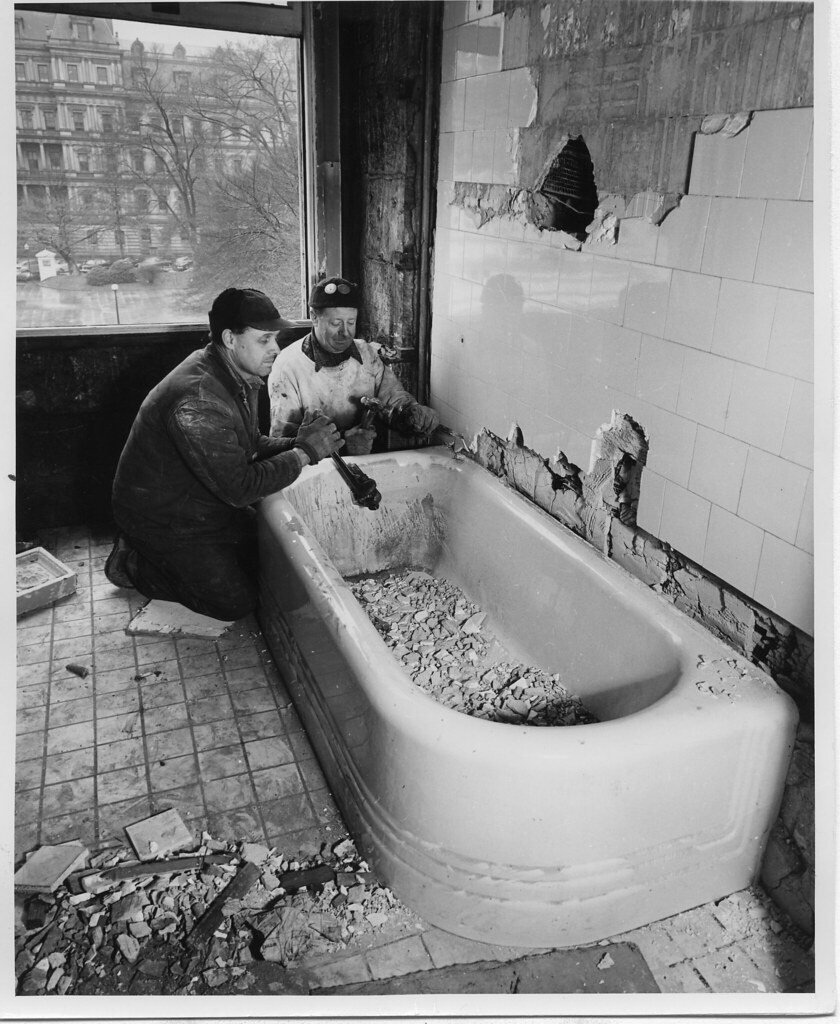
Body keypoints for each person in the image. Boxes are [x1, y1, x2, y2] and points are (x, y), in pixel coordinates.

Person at [104, 287, 343, 620]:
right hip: (163, 517)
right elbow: (240, 489)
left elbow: (251, 444)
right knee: (236, 602)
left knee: (272, 558)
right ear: (230, 338)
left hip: (199, 499)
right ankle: (135, 561)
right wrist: (305, 451)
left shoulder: (235, 371)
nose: (276, 348)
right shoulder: (199, 400)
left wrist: (298, 443)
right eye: (264, 340)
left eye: (275, 338)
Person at [267, 276, 439, 454]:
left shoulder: (367, 354)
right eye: (336, 323)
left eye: (351, 322)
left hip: (368, 461)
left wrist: (411, 414)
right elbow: (282, 444)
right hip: (316, 467)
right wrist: (342, 443)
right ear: (314, 318)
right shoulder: (288, 367)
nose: (345, 332)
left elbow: (392, 399)